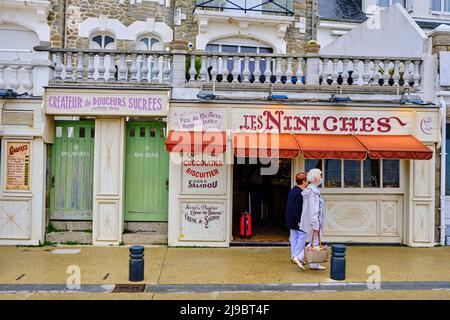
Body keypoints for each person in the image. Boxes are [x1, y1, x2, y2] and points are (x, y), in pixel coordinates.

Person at [299, 168, 326, 271]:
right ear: (316, 178)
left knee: (314, 241)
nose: (321, 178)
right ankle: (299, 257)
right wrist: (316, 224)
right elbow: (313, 210)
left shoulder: (311, 190)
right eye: (320, 176)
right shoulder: (313, 192)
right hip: (314, 222)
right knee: (314, 242)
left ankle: (314, 264)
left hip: (312, 221)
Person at [285, 172, 308, 270]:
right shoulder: (300, 193)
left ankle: (293, 255)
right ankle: (297, 256)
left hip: (290, 217)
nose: (307, 182)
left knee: (294, 236)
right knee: (302, 236)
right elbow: (298, 208)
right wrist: (299, 220)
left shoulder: (293, 190)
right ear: (303, 181)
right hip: (297, 218)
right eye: (306, 180)